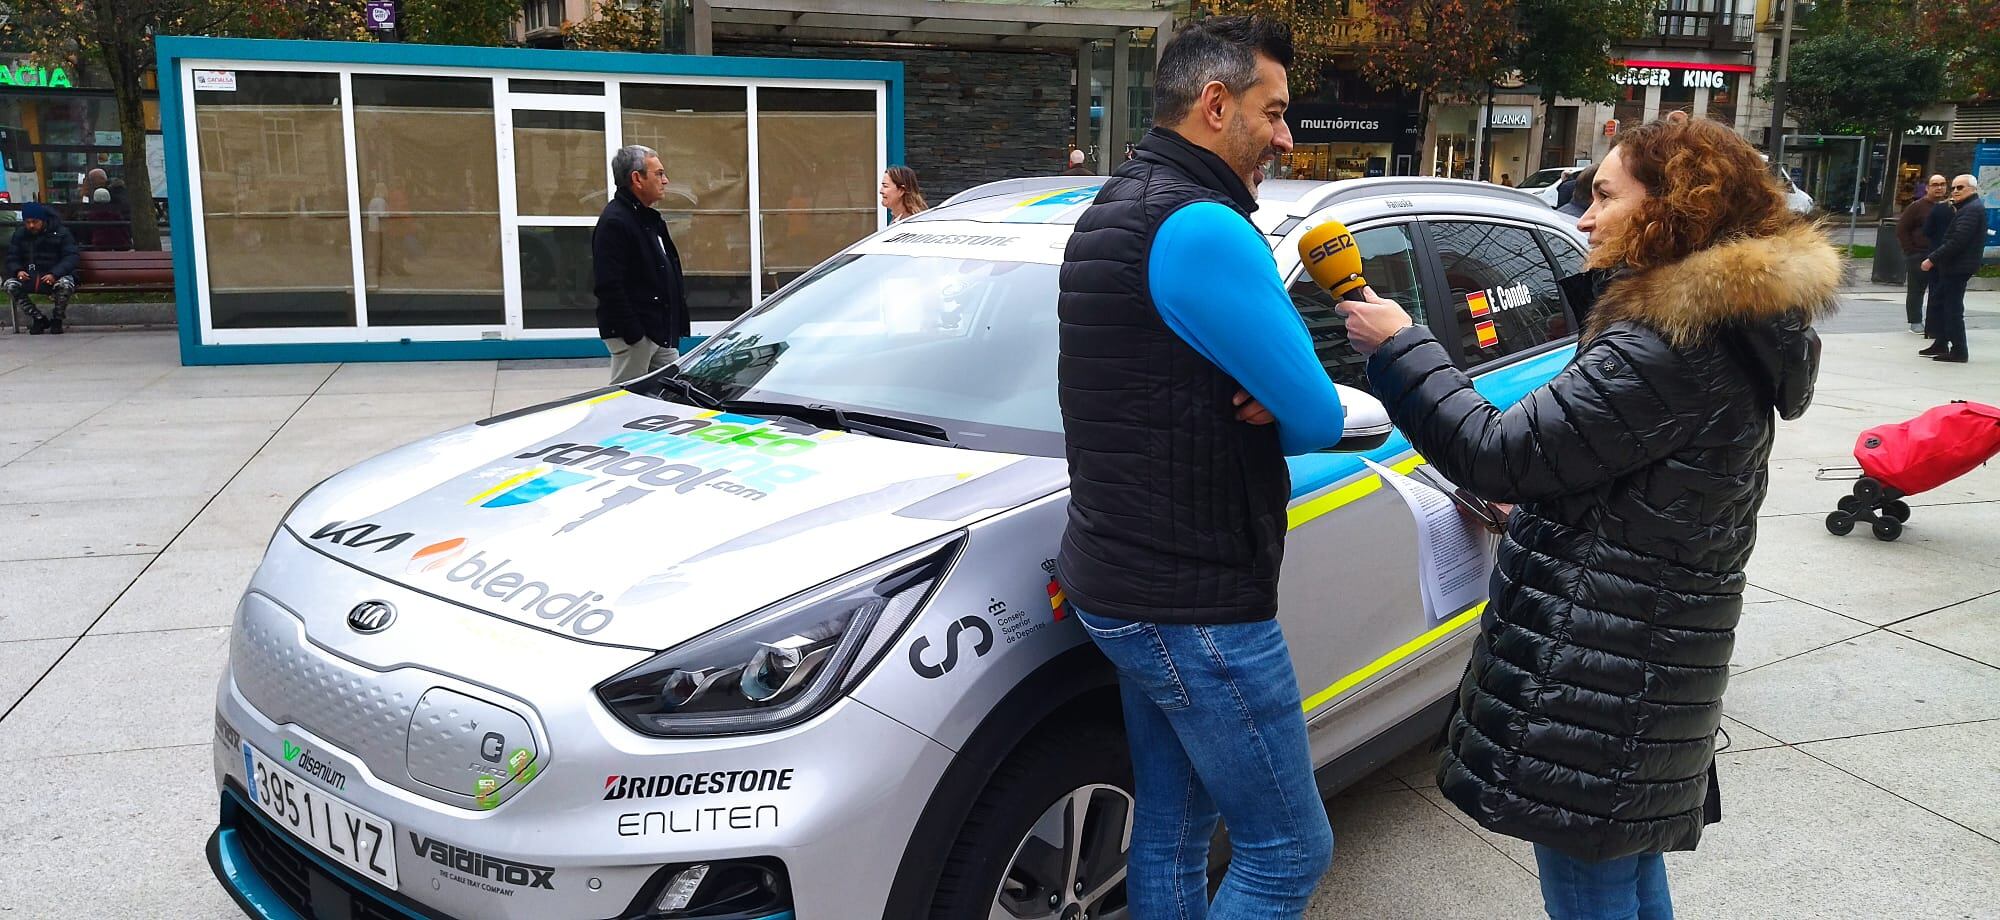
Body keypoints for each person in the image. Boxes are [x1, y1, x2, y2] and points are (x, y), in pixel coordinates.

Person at [1311, 116, 1840, 919]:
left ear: (1673, 208)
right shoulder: (1719, 332)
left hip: (1605, 669)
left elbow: (1495, 451)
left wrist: (1400, 344)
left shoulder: (1666, 342)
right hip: (1643, 655)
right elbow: (1634, 479)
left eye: (1603, 195)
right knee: (1624, 871)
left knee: (1589, 882)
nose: (1583, 218)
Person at [1056, 15, 1342, 919]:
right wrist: (1275, 395)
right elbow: (1320, 413)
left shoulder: (1112, 208)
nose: (1286, 138)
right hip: (1199, 602)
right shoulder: (1205, 228)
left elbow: (1142, 379)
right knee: (1289, 849)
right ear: (1216, 106)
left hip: (1117, 578)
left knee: (1172, 831)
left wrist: (1264, 386)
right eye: (1276, 111)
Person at [593, 144, 689, 383]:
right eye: (659, 174)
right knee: (625, 399)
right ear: (637, 178)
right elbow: (608, 284)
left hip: (658, 331)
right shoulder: (616, 221)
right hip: (636, 335)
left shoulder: (647, 218)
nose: (665, 180)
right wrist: (634, 333)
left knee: (676, 390)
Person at [1918, 174, 1985, 363]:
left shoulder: (1971, 210)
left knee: (1952, 308)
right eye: (1954, 187)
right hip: (1954, 266)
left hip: (1958, 267)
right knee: (1939, 302)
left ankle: (1959, 350)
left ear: (1972, 190)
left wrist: (1932, 259)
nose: (1955, 191)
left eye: (1960, 188)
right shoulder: (1965, 208)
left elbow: (1958, 241)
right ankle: (1941, 342)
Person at [6, 202, 82, 335]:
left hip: (55, 274)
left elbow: (71, 257)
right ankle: (38, 318)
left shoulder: (61, 233)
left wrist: (55, 274)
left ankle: (57, 319)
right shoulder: (20, 234)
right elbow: (12, 257)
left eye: (35, 221)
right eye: (27, 222)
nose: (31, 225)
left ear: (43, 220)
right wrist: (18, 271)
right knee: (10, 285)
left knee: (65, 284)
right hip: (30, 276)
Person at [1898, 175, 1948, 335]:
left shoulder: (1948, 206)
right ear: (1927, 187)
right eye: (1935, 185)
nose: (1939, 188)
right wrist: (1911, 251)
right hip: (1919, 254)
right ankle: (1915, 321)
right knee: (1916, 290)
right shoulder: (1917, 207)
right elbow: (1902, 229)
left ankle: (1935, 321)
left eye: (1942, 184)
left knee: (1939, 290)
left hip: (1940, 254)